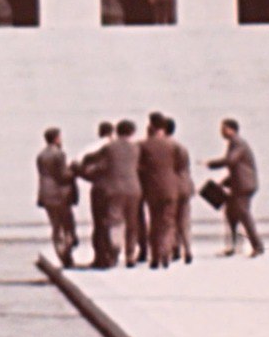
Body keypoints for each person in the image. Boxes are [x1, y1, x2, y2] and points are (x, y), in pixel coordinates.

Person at [82, 120, 142, 268]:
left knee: (115, 221)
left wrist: (87, 168)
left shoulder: (109, 148)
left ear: (117, 131)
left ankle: (115, 249)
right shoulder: (136, 148)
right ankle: (130, 255)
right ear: (132, 132)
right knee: (132, 223)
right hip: (134, 188)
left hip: (114, 189)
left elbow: (96, 162)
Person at [205, 118, 264, 258]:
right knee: (231, 214)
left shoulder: (237, 143)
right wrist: (224, 182)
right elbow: (237, 168)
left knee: (243, 214)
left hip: (243, 186)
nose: (221, 132)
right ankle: (234, 246)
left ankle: (257, 246)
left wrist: (211, 164)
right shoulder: (236, 143)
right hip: (240, 184)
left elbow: (231, 161)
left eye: (223, 129)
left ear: (232, 129)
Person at [137, 112, 181, 269]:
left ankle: (155, 256)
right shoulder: (174, 145)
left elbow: (138, 166)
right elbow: (181, 167)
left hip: (151, 188)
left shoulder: (143, 145)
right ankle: (166, 252)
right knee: (168, 222)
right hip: (170, 187)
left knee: (154, 222)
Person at [75, 121, 116, 268]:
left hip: (100, 189)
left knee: (99, 224)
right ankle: (114, 254)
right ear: (113, 132)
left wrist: (92, 179)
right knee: (117, 223)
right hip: (120, 189)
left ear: (100, 132)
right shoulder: (120, 147)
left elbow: (79, 167)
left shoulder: (92, 149)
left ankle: (101, 256)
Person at [36, 128, 78, 268]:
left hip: (46, 194)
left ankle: (61, 252)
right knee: (67, 225)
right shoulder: (59, 154)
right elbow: (63, 175)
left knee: (55, 226)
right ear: (56, 139)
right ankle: (66, 252)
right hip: (60, 195)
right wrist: (74, 170)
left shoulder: (41, 155)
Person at [165, 117, 195, 265]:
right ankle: (188, 249)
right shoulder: (181, 147)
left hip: (173, 186)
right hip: (186, 185)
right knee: (184, 220)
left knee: (170, 220)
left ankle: (174, 248)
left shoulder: (167, 147)